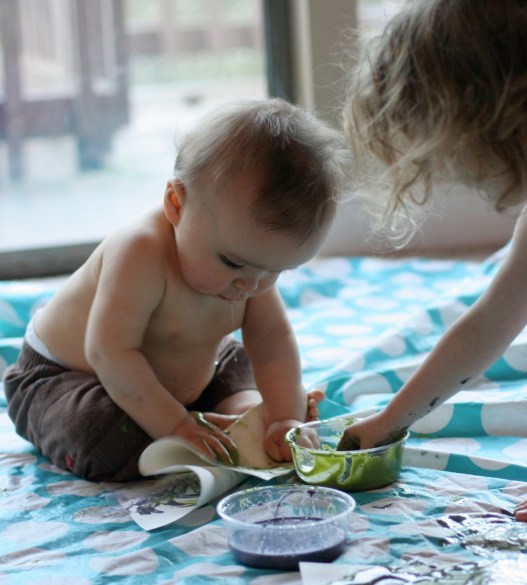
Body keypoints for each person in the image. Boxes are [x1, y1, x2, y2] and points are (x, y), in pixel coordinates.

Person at [341, 0, 527, 522]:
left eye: (445, 149)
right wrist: (389, 422)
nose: (451, 171)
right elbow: (485, 326)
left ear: (493, 118)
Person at [3, 98, 348, 482]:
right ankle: (191, 431)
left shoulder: (251, 265)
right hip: (69, 378)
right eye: (232, 263)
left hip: (184, 370)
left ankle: (246, 418)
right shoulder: (140, 251)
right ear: (176, 204)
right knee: (101, 433)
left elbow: (273, 343)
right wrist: (176, 426)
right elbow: (109, 353)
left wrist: (284, 416)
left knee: (242, 366)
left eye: (276, 270)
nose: (252, 285)